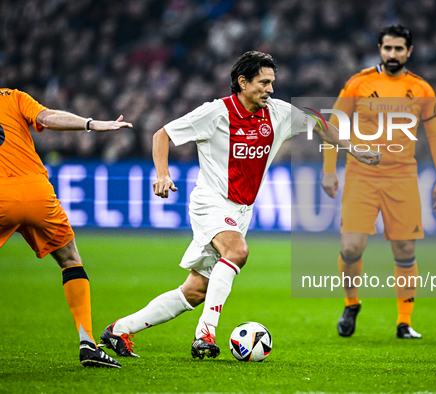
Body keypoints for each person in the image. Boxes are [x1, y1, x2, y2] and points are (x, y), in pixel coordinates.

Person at [98, 51, 381, 360]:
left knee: (194, 291)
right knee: (237, 252)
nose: (271, 90)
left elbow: (319, 123)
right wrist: (163, 174)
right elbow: (162, 134)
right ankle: (205, 334)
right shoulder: (215, 113)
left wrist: (356, 150)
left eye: (273, 83)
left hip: (241, 210)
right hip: (211, 202)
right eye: (264, 83)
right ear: (243, 82)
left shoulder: (278, 113)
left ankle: (118, 330)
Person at [322, 25, 436, 339]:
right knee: (351, 247)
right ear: (380, 49)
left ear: (409, 51)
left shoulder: (421, 89)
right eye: (387, 48)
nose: (392, 54)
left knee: (405, 250)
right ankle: (351, 303)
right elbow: (332, 125)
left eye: (399, 49)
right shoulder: (359, 83)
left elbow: (435, 135)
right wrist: (329, 169)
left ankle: (404, 322)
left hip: (403, 177)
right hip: (361, 176)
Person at [0, 88, 133, 367]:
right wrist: (90, 123)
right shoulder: (11, 97)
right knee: (71, 260)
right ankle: (88, 343)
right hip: (37, 193)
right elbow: (48, 118)